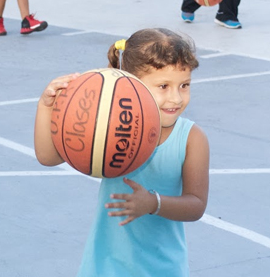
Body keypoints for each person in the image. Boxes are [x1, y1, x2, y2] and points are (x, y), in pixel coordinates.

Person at [33, 28, 209, 277]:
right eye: (163, 86)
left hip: (164, 269)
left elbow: (196, 205)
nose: (176, 98)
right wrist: (45, 106)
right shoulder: (111, 127)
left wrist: (153, 203)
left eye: (184, 85)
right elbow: (48, 157)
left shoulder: (192, 138)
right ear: (131, 84)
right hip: (106, 267)